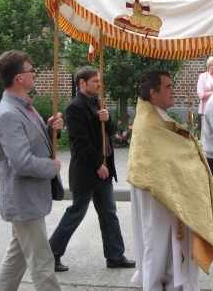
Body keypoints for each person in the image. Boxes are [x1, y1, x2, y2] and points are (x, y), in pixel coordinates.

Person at [128, 70, 213, 291]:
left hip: (164, 191)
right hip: (157, 195)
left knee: (169, 244)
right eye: (168, 87)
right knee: (157, 243)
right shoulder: (150, 123)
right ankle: (158, 284)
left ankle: (175, 282)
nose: (173, 90)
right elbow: (165, 157)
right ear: (153, 92)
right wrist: (189, 149)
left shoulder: (156, 117)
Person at [49, 66, 135, 272]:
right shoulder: (75, 107)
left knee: (109, 213)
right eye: (95, 81)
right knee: (76, 213)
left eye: (99, 81)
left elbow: (110, 133)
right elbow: (80, 142)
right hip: (87, 171)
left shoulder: (99, 104)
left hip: (104, 170)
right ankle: (51, 254)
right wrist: (98, 165)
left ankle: (115, 255)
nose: (99, 84)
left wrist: (108, 120)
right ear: (82, 83)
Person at [0, 50, 63, 291]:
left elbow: (35, 141)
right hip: (24, 200)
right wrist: (51, 167)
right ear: (19, 78)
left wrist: (52, 128)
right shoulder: (8, 114)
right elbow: (21, 162)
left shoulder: (24, 107)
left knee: (17, 257)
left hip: (29, 198)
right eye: (31, 70)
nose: (35, 74)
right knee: (42, 261)